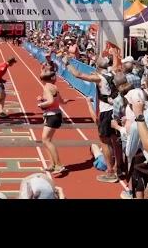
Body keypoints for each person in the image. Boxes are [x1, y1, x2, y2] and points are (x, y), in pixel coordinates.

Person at [66, 51, 124, 183]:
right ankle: (118, 167)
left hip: (106, 112)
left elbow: (78, 74)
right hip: (116, 110)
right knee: (115, 141)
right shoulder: (113, 72)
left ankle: (110, 172)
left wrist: (67, 63)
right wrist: (114, 54)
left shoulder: (99, 78)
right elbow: (115, 63)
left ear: (97, 65)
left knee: (105, 142)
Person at [38, 70, 67, 174]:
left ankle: (59, 165)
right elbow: (60, 100)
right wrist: (42, 99)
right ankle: (52, 164)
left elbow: (50, 101)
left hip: (52, 116)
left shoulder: (46, 87)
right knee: (46, 140)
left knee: (46, 140)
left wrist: (41, 104)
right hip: (55, 115)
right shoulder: (54, 87)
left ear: (43, 80)